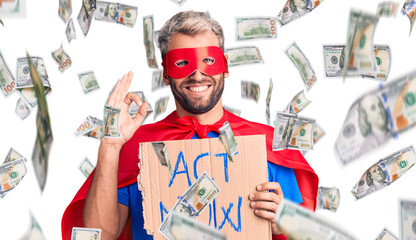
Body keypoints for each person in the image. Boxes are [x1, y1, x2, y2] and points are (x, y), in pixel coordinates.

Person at [61, 11, 318, 240]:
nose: (197, 74)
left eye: (209, 61)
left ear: (225, 66)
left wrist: (282, 224)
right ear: (165, 72)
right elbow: (100, 235)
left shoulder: (265, 144)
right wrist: (110, 143)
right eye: (182, 63)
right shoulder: (137, 147)